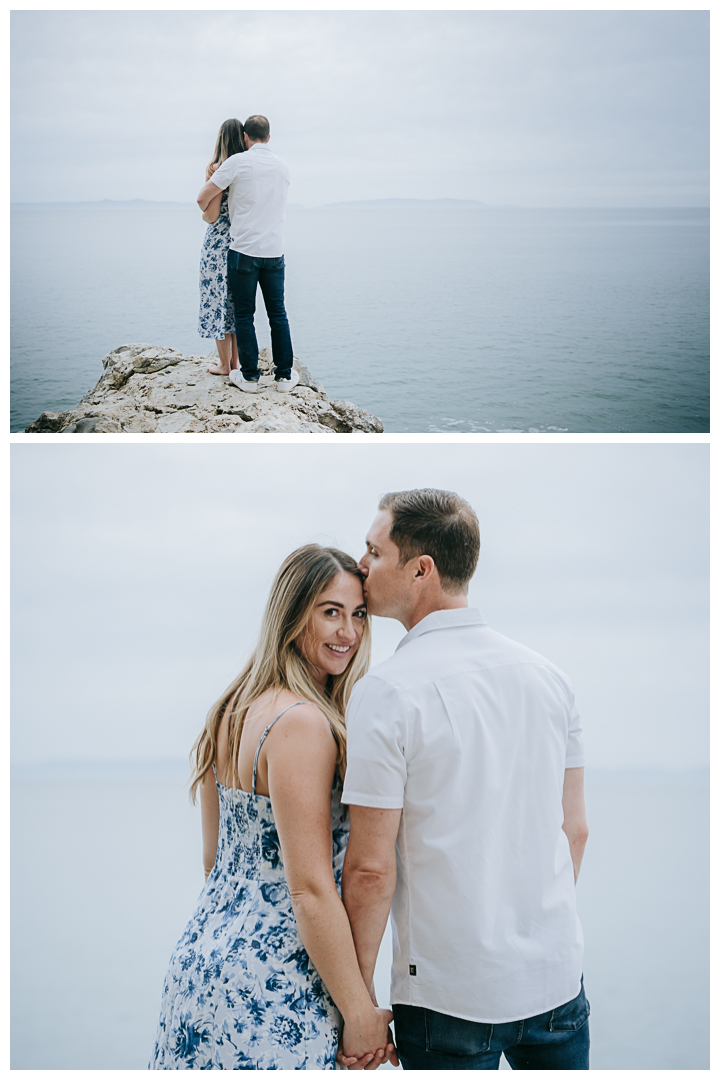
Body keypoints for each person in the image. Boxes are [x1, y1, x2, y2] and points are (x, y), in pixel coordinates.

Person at [339, 489, 590, 1071]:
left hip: (450, 996)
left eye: (374, 552)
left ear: (420, 569)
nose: (361, 565)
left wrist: (360, 1004)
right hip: (556, 979)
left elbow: (371, 869)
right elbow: (574, 830)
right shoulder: (550, 678)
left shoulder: (386, 691)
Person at [149, 545, 396, 1070]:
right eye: (329, 612)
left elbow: (215, 861)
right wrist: (358, 1011)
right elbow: (308, 890)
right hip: (278, 984)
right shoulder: (304, 724)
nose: (347, 633)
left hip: (203, 966)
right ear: (291, 615)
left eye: (358, 615)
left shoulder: (232, 709)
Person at [196, 114, 298, 395]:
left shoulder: (236, 163)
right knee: (278, 314)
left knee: (244, 315)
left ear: (246, 137)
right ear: (268, 137)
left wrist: (208, 212)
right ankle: (284, 378)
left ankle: (250, 378)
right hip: (274, 251)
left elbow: (203, 198)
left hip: (243, 251)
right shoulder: (282, 166)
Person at [198, 119, 245, 376]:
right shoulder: (246, 169)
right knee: (234, 305)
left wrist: (204, 214)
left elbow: (212, 215)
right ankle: (236, 364)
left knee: (216, 304)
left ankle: (224, 365)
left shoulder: (217, 168)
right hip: (240, 242)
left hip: (217, 245)